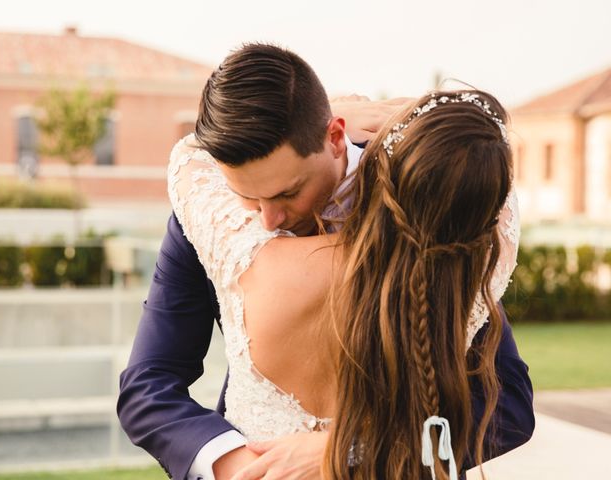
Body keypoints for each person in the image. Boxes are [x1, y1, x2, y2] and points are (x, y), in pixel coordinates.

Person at [117, 44, 534, 480]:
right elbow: (148, 385)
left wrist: (349, 450)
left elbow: (508, 404)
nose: (268, 218)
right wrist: (236, 465)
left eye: (286, 193)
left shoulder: (425, 195)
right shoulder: (207, 212)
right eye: (248, 195)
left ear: (336, 138)